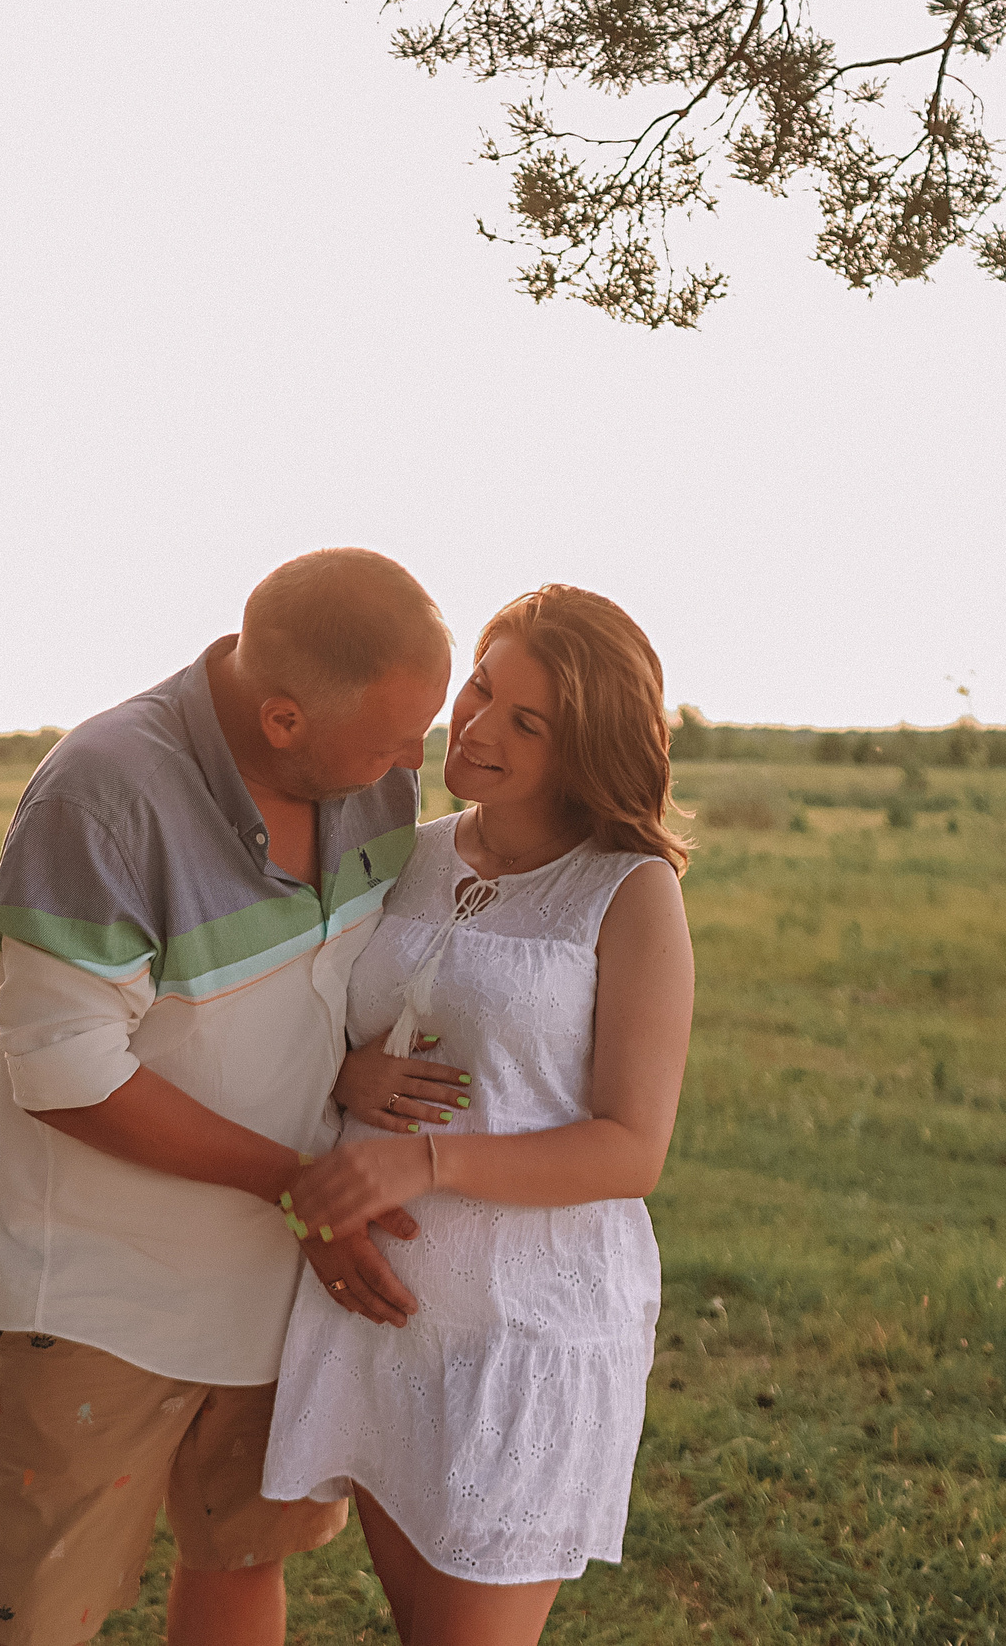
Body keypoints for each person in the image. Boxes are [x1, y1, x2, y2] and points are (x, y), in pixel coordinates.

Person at [0, 548, 454, 1646]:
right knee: (34, 1622)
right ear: (282, 720)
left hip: (279, 1283)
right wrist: (300, 1186)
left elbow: (293, 986)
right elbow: (66, 1073)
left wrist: (340, 1073)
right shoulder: (102, 796)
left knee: (243, 1560)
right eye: (390, 737)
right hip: (107, 1292)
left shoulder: (368, 777)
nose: (415, 763)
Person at [263, 583, 697, 1646]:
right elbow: (314, 1016)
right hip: (384, 1320)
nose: (478, 725)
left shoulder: (626, 891)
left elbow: (630, 1149)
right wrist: (343, 1075)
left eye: (526, 720)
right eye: (482, 688)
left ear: (585, 744)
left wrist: (425, 1166)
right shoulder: (402, 854)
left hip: (522, 1337)